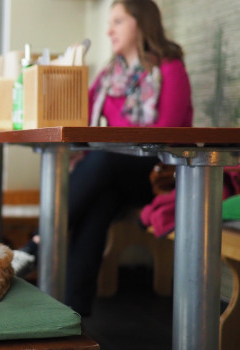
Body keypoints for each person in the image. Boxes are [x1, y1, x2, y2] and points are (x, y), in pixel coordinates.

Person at [20, 0, 193, 316]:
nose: (108, 29)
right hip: (114, 174)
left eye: (118, 21)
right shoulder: (109, 75)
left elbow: (166, 134)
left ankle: (35, 243)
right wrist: (65, 76)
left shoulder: (169, 68)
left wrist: (108, 144)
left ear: (140, 23)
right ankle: (71, 312)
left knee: (100, 163)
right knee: (99, 201)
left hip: (157, 174)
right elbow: (78, 117)